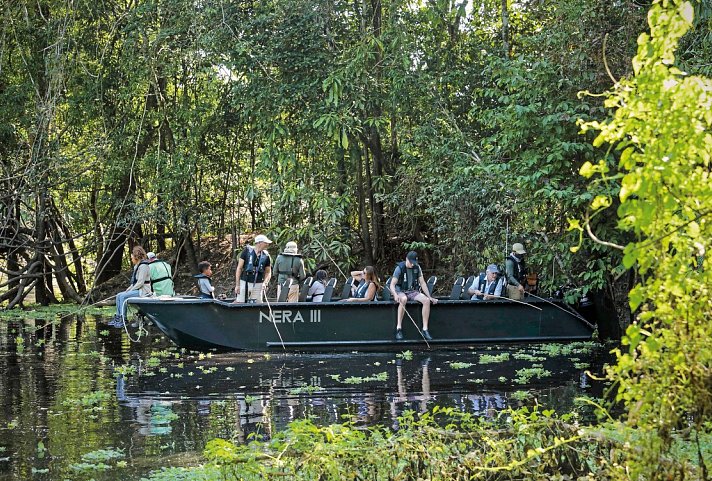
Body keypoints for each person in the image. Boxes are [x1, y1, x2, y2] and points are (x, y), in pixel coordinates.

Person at [389, 251, 438, 341]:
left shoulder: (417, 267)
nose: (412, 265)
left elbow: (422, 283)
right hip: (401, 291)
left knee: (426, 301)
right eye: (411, 262)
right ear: (406, 259)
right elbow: (392, 285)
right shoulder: (399, 268)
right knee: (403, 299)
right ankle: (398, 328)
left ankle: (425, 329)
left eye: (414, 263)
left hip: (412, 291)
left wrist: (429, 297)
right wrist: (395, 295)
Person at [111, 246, 152, 327]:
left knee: (123, 296)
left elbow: (140, 282)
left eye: (132, 257)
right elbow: (134, 282)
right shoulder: (137, 266)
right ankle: (119, 317)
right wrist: (129, 288)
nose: (131, 259)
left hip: (143, 291)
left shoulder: (143, 266)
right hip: (137, 289)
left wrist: (131, 290)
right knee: (119, 295)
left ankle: (123, 319)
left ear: (136, 257)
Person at [233, 234, 272, 303]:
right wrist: (237, 285)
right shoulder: (247, 251)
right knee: (240, 302)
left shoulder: (266, 256)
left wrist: (265, 283)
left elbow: (268, 272)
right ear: (259, 243)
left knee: (257, 304)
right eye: (265, 243)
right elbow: (239, 268)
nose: (267, 245)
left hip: (258, 283)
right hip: (245, 281)